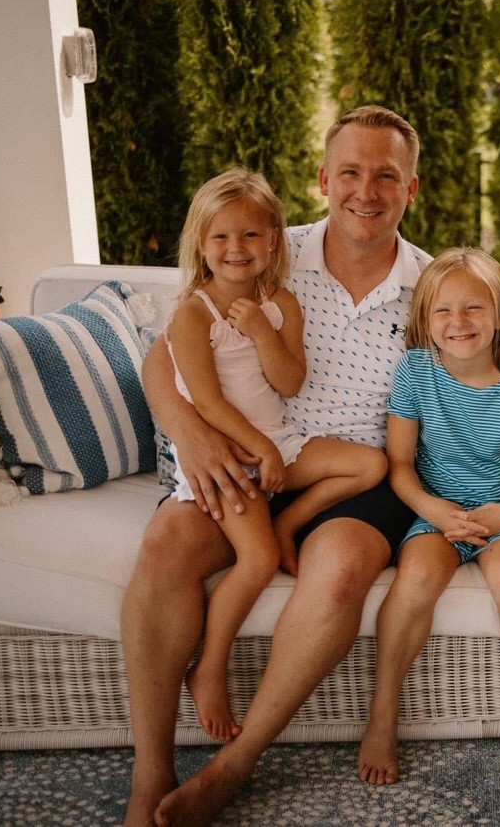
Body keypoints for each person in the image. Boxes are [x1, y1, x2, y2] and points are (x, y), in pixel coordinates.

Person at [121, 105, 431, 827]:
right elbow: (164, 357)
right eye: (350, 172)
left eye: (386, 176)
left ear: (411, 189)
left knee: (342, 569)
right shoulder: (264, 249)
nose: (366, 191)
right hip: (244, 450)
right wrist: (189, 436)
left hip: (356, 470)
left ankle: (232, 766)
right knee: (166, 542)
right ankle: (150, 771)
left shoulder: (429, 286)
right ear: (323, 179)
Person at [166, 168, 387, 743]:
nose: (236, 248)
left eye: (250, 235)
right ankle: (209, 668)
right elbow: (206, 401)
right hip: (227, 452)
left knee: (370, 465)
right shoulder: (194, 313)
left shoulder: (281, 301)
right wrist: (259, 448)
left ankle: (289, 519)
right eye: (221, 236)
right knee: (258, 560)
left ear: (273, 240)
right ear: (200, 243)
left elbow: (290, 382)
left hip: (278, 441)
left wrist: (264, 332)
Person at [357, 247, 500, 785]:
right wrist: (436, 511)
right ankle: (383, 713)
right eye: (443, 310)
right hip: (436, 512)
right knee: (416, 578)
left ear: (499, 313)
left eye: (474, 307)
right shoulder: (416, 372)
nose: (459, 321)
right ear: (425, 319)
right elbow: (400, 465)